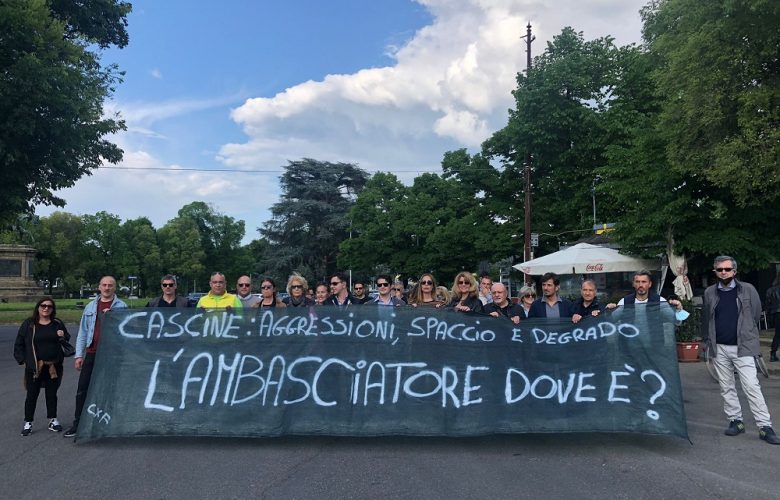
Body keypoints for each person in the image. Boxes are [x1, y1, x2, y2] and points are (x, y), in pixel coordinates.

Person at [702, 256, 780, 444]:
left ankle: (765, 426)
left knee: (752, 386)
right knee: (726, 387)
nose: (723, 273)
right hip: (719, 347)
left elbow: (755, 313)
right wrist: (707, 343)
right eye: (719, 270)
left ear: (734, 271)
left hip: (743, 347)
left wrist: (747, 335)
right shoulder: (710, 292)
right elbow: (707, 318)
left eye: (727, 269)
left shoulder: (748, 289)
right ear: (715, 272)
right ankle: (735, 421)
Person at [64, 276, 128, 438]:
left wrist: (113, 316)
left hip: (111, 355)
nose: (107, 288)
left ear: (115, 288)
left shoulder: (122, 306)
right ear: (99, 287)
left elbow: (127, 331)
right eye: (104, 285)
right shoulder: (91, 306)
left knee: (109, 389)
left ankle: (107, 423)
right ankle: (78, 423)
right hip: (92, 353)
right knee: (83, 389)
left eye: (110, 285)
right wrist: (79, 355)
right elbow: (83, 333)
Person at [14, 297, 71, 436]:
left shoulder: (57, 323)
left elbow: (66, 339)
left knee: (52, 394)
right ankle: (28, 422)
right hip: (35, 366)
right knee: (32, 394)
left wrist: (63, 336)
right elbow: (19, 343)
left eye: (49, 306)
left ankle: (53, 420)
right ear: (38, 307)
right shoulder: (29, 324)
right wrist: (22, 360)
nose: (46, 308)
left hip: (53, 366)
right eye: (43, 305)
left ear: (53, 309)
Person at [766, 275, 780, 362]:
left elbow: (768, 304)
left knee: (777, 334)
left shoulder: (770, 290)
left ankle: (773, 353)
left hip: (776, 313)